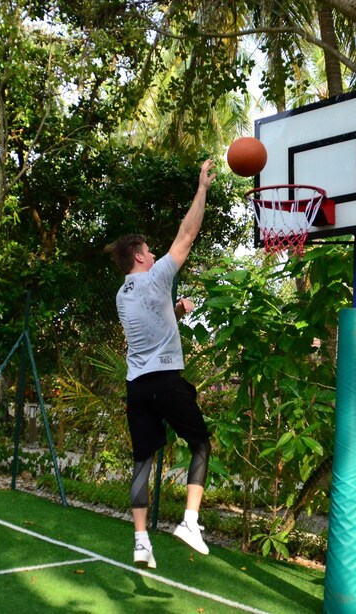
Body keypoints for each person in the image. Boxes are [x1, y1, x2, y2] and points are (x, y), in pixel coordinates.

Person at [104, 158, 217, 570]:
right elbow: (187, 235)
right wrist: (201, 188)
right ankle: (189, 521)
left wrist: (177, 311)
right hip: (167, 382)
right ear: (139, 257)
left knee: (143, 462)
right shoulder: (156, 277)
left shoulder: (122, 296)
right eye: (149, 251)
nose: (154, 254)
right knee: (201, 444)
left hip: (138, 387)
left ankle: (140, 542)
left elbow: (152, 323)